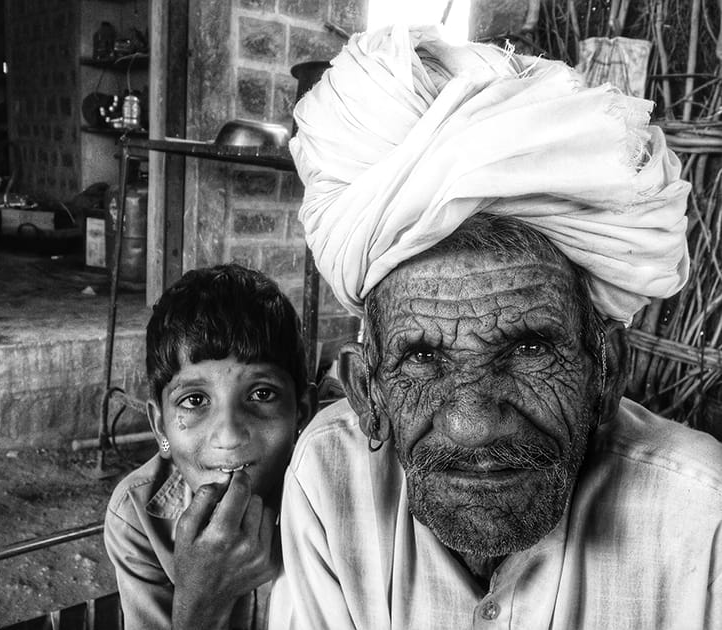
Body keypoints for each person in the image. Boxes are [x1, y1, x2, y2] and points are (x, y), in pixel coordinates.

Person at [268, 24, 722, 629]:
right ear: (366, 391)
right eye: (423, 359)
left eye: (531, 348)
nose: (473, 423)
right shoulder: (329, 480)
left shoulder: (703, 516)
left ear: (606, 371)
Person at [104, 263, 315, 630]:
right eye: (195, 400)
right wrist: (203, 596)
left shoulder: (332, 500)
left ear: (301, 413)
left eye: (261, 394)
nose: (229, 435)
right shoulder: (138, 517)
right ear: (160, 426)